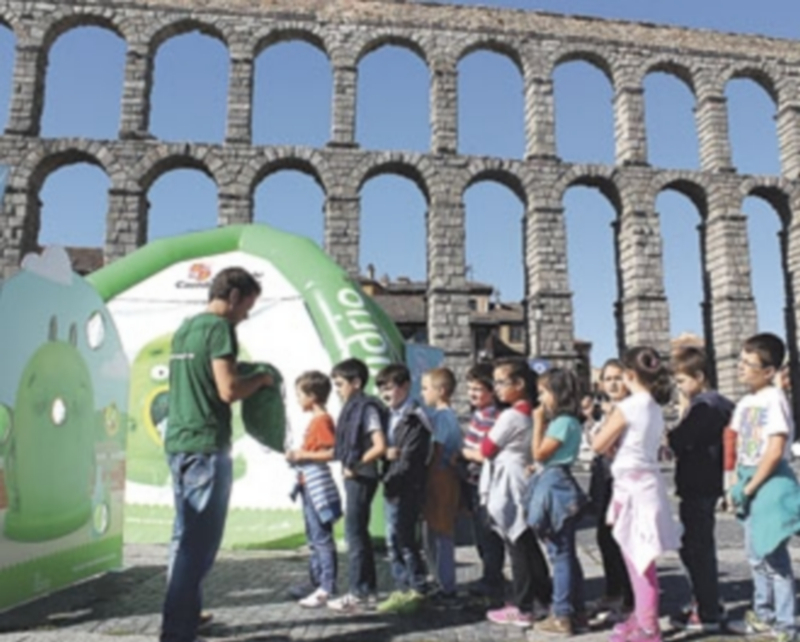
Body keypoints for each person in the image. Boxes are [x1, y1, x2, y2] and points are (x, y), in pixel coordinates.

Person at [160, 267, 273, 642]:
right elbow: (227, 389)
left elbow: (203, 378)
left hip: (178, 443)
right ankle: (177, 630)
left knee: (182, 538)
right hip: (207, 446)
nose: (247, 315)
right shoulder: (220, 329)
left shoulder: (185, 329)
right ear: (235, 295)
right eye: (248, 307)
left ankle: (186, 615)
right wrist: (261, 380)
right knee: (199, 545)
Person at [592, 346, 682, 642]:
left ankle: (648, 626)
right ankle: (640, 617)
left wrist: (605, 427)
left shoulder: (628, 407)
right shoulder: (654, 406)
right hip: (646, 483)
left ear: (630, 375)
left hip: (632, 487)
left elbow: (598, 444)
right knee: (638, 557)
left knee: (639, 560)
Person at [727, 333, 799, 642]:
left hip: (770, 483)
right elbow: (736, 444)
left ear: (769, 371)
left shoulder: (775, 400)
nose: (740, 367)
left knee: (774, 557)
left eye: (748, 363)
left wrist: (750, 487)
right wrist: (733, 484)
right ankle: (764, 615)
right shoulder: (745, 402)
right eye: (740, 360)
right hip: (750, 479)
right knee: (756, 555)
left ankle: (786, 625)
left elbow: (774, 450)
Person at [667, 346, 733, 632]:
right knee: (696, 546)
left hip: (699, 484)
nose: (678, 388)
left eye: (681, 381)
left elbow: (679, 439)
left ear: (699, 376)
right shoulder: (719, 403)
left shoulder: (705, 405)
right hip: (705, 483)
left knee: (697, 548)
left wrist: (682, 414)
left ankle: (707, 609)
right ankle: (704, 603)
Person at [484, 357, 552, 629]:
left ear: (520, 384)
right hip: (523, 476)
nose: (497, 388)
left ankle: (523, 606)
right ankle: (542, 597)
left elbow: (487, 448)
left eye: (501, 382)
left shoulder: (511, 415)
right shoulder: (531, 413)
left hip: (509, 480)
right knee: (527, 542)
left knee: (516, 544)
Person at [530, 368, 588, 635]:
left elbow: (540, 453)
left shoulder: (562, 422)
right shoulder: (570, 422)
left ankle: (562, 613)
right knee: (567, 553)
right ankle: (578, 609)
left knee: (560, 554)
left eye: (543, 392)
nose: (540, 399)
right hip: (557, 480)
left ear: (557, 394)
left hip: (556, 485)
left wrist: (538, 422)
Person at [327, 358, 387, 612]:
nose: (337, 390)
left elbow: (379, 445)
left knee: (355, 534)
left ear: (356, 383)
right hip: (356, 475)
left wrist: (356, 464)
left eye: (340, 384)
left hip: (362, 477)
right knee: (358, 533)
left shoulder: (366, 408)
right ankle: (367, 590)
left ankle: (359, 592)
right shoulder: (352, 407)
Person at [374, 363, 432, 614]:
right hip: (392, 485)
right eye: (382, 389)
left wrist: (391, 468)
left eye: (390, 388)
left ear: (406, 386)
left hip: (406, 486)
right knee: (393, 540)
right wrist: (386, 455)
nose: (385, 394)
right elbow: (386, 451)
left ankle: (416, 587)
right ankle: (403, 586)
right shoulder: (387, 415)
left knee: (404, 539)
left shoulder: (414, 418)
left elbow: (409, 458)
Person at [286, 371, 341, 608]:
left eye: (299, 394)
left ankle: (326, 585)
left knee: (321, 537)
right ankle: (316, 580)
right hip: (307, 484)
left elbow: (333, 451)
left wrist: (302, 455)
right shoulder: (316, 421)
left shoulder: (322, 421)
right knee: (313, 536)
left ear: (312, 396)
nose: (297, 399)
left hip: (318, 486)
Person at [586, 359, 633, 621]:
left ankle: (629, 599)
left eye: (618, 377)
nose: (613, 383)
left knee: (621, 538)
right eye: (608, 378)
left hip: (621, 479)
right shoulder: (608, 410)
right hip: (603, 477)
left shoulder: (627, 409)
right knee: (604, 537)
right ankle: (613, 591)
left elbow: (602, 443)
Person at [460, 362, 506, 601]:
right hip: (472, 479)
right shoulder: (478, 414)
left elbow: (485, 454)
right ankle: (491, 574)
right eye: (470, 389)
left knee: (488, 533)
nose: (472, 394)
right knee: (479, 532)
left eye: (477, 389)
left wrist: (464, 453)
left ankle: (493, 577)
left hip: (485, 481)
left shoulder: (494, 417)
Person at [420, 367, 463, 604]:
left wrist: (427, 475)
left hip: (441, 477)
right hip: (441, 477)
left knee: (442, 533)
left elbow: (437, 450)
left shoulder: (443, 417)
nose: (423, 392)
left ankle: (446, 583)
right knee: (434, 532)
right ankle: (440, 578)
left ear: (441, 391)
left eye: (426, 388)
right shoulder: (441, 415)